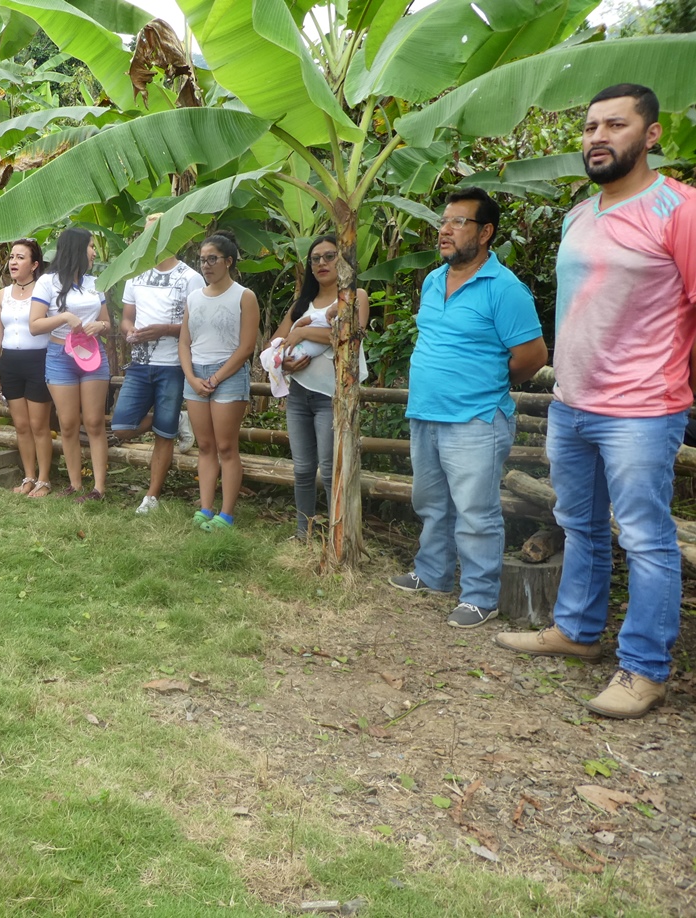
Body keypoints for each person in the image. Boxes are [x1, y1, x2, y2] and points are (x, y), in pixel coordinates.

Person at [495, 84, 696, 718]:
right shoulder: (579, 215)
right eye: (588, 128)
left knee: (644, 537)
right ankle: (577, 633)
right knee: (578, 525)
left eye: (615, 124)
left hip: (643, 406)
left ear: (652, 135)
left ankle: (645, 669)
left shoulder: (679, 210)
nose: (598, 137)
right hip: (572, 400)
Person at [389, 188, 547, 628]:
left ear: (486, 232)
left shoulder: (505, 288)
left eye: (458, 222)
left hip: (476, 418)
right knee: (431, 502)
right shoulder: (433, 279)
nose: (445, 229)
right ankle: (433, 574)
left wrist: (488, 383)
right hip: (426, 412)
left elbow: (533, 356)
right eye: (444, 220)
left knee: (476, 511)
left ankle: (480, 596)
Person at [270, 235, 370, 540]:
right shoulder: (302, 303)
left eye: (329, 257)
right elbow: (277, 341)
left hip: (334, 394)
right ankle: (304, 533)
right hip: (299, 394)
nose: (322, 263)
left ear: (342, 261)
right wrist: (284, 362)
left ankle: (337, 537)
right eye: (316, 259)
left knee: (329, 470)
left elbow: (350, 339)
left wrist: (302, 334)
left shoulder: (356, 296)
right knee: (302, 469)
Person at [111, 214, 205, 514]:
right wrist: (129, 331)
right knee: (122, 427)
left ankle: (151, 497)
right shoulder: (135, 274)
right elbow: (127, 317)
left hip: (174, 365)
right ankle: (178, 421)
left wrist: (164, 329)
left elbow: (198, 324)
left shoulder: (190, 277)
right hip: (139, 363)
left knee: (164, 436)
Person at [179, 230, 259, 530]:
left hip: (228, 375)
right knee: (205, 446)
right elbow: (184, 342)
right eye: (202, 260)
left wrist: (215, 377)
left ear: (229, 261)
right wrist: (192, 376)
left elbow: (246, 347)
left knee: (226, 446)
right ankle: (205, 508)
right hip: (195, 375)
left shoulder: (244, 296)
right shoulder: (193, 297)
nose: (206, 265)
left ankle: (226, 514)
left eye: (212, 259)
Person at [29, 227, 111, 501]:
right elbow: (35, 325)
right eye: (90, 246)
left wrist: (100, 325)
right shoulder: (47, 282)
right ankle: (75, 484)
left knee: (94, 421)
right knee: (67, 423)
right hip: (59, 356)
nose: (93, 252)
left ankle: (99, 488)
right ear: (77, 249)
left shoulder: (94, 282)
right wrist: (65, 318)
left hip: (92, 355)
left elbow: (107, 323)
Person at [0, 238, 53, 498]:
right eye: (12, 257)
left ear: (34, 264)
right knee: (21, 425)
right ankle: (29, 476)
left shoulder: (44, 290)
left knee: (39, 425)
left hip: (39, 360)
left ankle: (44, 480)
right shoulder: (3, 294)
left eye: (21, 257)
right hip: (10, 364)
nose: (13, 262)